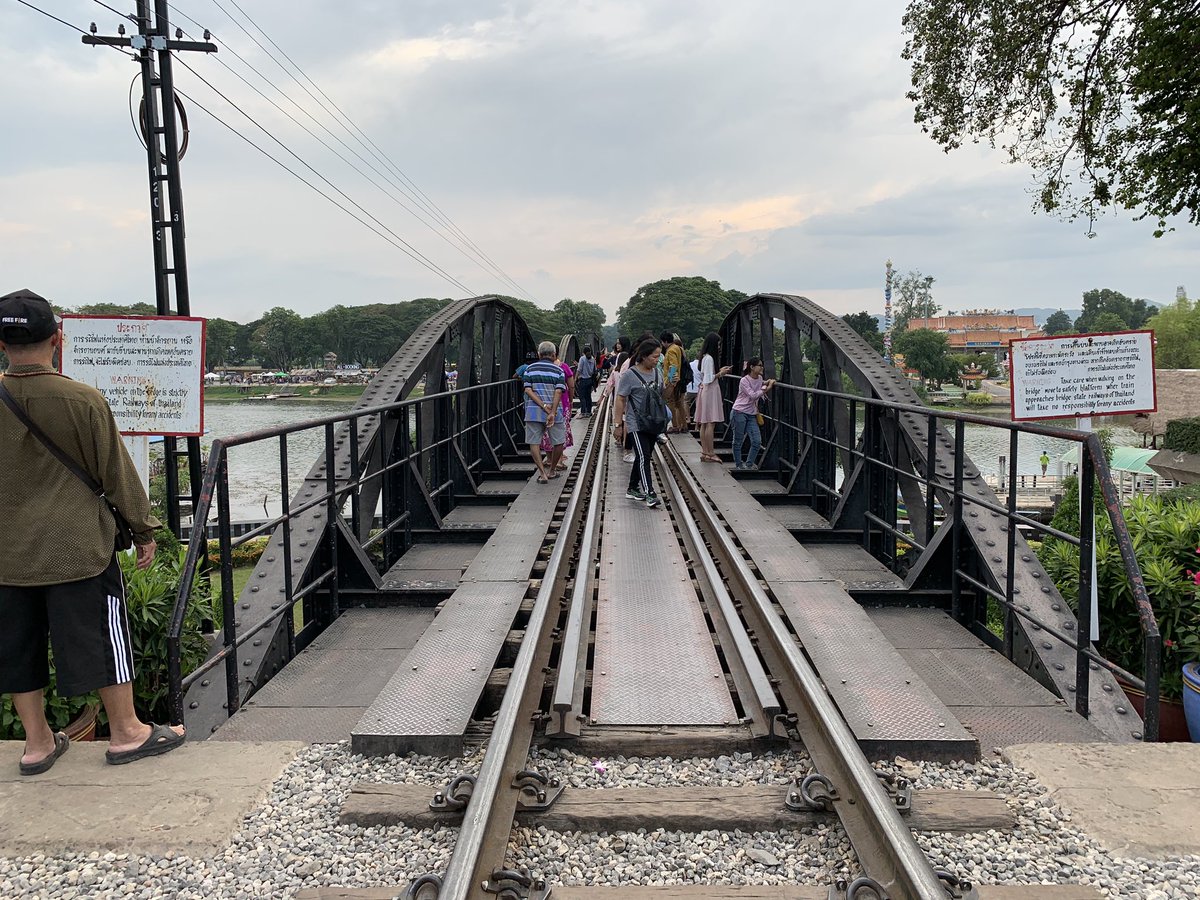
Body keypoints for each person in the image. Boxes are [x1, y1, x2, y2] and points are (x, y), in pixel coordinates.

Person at [0, 289, 185, 775]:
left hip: (7, 553)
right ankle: (127, 733)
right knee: (106, 637)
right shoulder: (82, 399)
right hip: (77, 548)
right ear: (56, 339)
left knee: (17, 645)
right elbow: (116, 474)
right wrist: (145, 530)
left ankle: (37, 745)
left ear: (3, 344)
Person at [613, 338, 664, 508]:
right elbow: (620, 399)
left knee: (644, 455)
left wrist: (672, 383)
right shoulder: (630, 374)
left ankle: (632, 488)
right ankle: (650, 492)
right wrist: (618, 425)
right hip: (636, 423)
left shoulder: (658, 373)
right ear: (643, 356)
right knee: (643, 456)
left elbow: (661, 396)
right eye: (654, 357)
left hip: (653, 422)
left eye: (658, 356)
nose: (657, 360)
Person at [523, 340, 566, 483]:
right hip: (555, 412)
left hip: (533, 411)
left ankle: (542, 474)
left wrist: (542, 405)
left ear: (539, 354)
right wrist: (552, 411)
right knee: (558, 441)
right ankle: (552, 470)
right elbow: (559, 391)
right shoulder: (559, 370)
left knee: (534, 442)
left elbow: (528, 390)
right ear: (554, 354)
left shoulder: (529, 369)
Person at [729, 357, 775, 470]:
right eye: (759, 365)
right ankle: (739, 465)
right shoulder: (744, 380)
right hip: (739, 412)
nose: (762, 367)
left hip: (751, 414)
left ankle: (749, 465)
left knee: (757, 441)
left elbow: (760, 385)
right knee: (738, 440)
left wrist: (767, 382)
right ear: (752, 367)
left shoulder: (759, 378)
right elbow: (753, 395)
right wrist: (767, 387)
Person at [694, 331, 731, 462]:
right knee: (710, 422)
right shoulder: (710, 359)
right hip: (710, 390)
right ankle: (710, 453)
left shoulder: (704, 357)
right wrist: (721, 373)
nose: (719, 347)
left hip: (705, 390)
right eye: (718, 344)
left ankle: (705, 452)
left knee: (704, 423)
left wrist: (719, 370)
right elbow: (709, 378)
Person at [575, 346, 597, 417]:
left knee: (582, 397)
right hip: (590, 380)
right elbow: (594, 370)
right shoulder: (593, 359)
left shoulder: (582, 358)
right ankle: (589, 412)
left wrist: (575, 378)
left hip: (583, 380)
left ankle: (583, 412)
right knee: (588, 396)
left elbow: (579, 369)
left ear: (584, 353)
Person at [685, 354, 700, 428]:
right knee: (698, 406)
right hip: (700, 389)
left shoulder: (690, 364)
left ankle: (688, 418)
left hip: (690, 388)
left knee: (686, 402)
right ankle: (697, 424)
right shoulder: (701, 365)